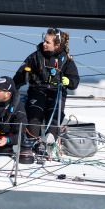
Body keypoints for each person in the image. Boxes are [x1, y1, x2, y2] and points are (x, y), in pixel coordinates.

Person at [13, 28, 80, 159]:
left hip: (56, 91)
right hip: (37, 90)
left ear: (57, 45)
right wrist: (16, 86)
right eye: (44, 41)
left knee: (54, 119)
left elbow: (75, 81)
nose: (44, 44)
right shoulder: (35, 56)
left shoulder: (66, 60)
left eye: (47, 42)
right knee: (33, 120)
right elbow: (18, 76)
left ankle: (49, 146)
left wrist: (68, 81)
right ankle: (32, 146)